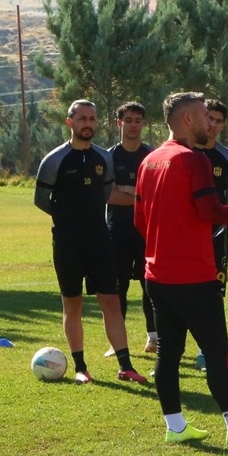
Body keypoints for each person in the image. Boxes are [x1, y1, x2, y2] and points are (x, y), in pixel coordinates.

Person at [133, 91, 228, 447]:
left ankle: (176, 426)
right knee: (217, 353)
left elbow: (139, 219)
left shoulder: (149, 161)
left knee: (169, 353)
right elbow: (208, 211)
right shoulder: (192, 160)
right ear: (187, 120)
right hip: (192, 275)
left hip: (156, 275)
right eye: (203, 117)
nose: (209, 123)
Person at [33, 99, 147, 385]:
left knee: (111, 300)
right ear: (70, 122)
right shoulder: (55, 159)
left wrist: (144, 200)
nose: (88, 124)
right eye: (82, 118)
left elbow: (108, 194)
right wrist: (70, 220)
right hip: (68, 244)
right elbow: (41, 200)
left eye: (93, 119)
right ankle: (81, 367)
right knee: (73, 305)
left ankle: (126, 365)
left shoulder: (102, 158)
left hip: (100, 241)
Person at [190, 99, 228, 369]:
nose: (212, 125)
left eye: (218, 121)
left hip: (216, 238)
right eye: (208, 118)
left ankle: (206, 351)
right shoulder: (184, 153)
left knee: (213, 295)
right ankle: (170, 351)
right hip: (185, 237)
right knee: (179, 295)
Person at [105, 101, 157, 357]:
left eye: (138, 120)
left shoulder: (152, 157)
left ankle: (153, 338)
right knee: (118, 288)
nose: (133, 125)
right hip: (117, 232)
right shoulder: (109, 156)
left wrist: (125, 189)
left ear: (143, 124)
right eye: (128, 119)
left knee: (150, 286)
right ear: (119, 123)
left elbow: (156, 196)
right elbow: (108, 196)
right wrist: (138, 194)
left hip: (147, 232)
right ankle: (118, 341)